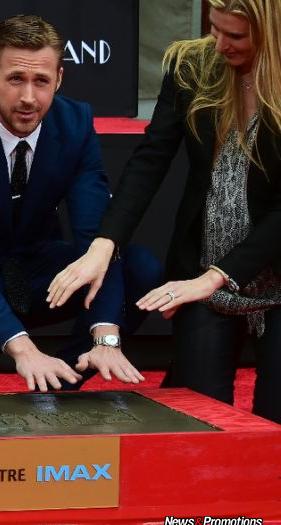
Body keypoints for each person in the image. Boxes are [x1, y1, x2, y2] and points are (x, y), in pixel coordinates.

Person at [0, 15, 161, 395]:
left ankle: (58, 385)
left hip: (31, 264)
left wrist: (105, 332)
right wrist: (23, 349)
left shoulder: (75, 124)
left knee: (139, 267)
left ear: (59, 79)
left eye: (41, 81)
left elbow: (95, 237)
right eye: (15, 79)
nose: (28, 98)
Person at [47, 0, 281, 424]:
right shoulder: (192, 66)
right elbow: (150, 160)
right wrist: (104, 244)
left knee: (274, 427)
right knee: (198, 418)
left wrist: (218, 276)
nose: (220, 45)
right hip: (202, 275)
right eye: (214, 30)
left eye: (235, 36)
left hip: (271, 274)